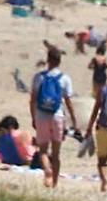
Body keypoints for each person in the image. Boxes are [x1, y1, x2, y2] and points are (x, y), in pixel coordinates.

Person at [30, 48, 77, 188]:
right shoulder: (64, 78)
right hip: (58, 116)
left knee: (43, 151)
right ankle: (55, 183)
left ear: (48, 60)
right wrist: (73, 119)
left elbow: (32, 100)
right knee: (56, 154)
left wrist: (33, 117)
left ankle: (47, 170)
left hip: (42, 115)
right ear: (59, 61)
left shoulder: (39, 77)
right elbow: (68, 102)